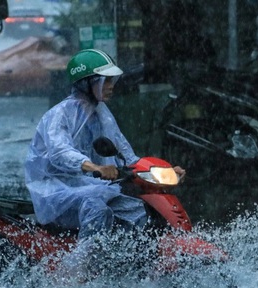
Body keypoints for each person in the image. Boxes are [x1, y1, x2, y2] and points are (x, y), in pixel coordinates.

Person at [24, 48, 185, 241]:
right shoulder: (59, 114)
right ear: (88, 82)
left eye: (111, 80)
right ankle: (81, 268)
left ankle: (135, 265)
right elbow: (60, 152)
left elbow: (126, 155)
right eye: (105, 80)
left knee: (138, 212)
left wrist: (163, 171)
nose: (111, 86)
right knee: (98, 210)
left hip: (91, 188)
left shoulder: (101, 113)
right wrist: (95, 167)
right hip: (58, 193)